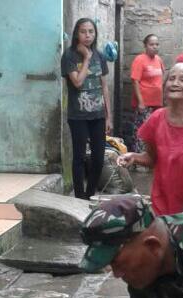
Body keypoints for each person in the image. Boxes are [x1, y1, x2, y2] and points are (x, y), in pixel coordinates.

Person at [116, 63, 183, 215]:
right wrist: (133, 157)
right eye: (172, 78)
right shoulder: (156, 119)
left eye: (182, 80)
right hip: (163, 204)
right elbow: (151, 158)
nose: (175, 83)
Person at [61, 18, 112, 200]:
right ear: (76, 33)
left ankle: (90, 195)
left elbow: (104, 87)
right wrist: (87, 58)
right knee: (80, 157)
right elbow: (77, 82)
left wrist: (108, 117)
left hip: (98, 115)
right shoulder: (70, 56)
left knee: (98, 159)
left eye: (91, 31)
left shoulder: (100, 55)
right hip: (78, 116)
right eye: (83, 31)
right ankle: (79, 196)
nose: (88, 35)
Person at [130, 34, 164, 153]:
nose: (155, 47)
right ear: (145, 46)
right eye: (151, 44)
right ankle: (139, 158)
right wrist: (140, 102)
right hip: (144, 103)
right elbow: (135, 81)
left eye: (156, 44)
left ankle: (150, 157)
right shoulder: (140, 60)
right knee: (142, 130)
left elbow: (162, 77)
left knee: (154, 131)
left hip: (157, 103)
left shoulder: (158, 59)